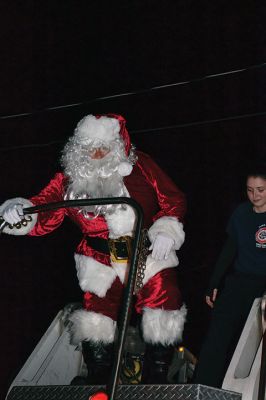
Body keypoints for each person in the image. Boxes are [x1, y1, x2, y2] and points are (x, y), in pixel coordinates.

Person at [0, 113, 187, 385]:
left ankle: (156, 374)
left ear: (117, 147)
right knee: (96, 312)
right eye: (90, 147)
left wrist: (167, 230)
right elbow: (44, 211)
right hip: (98, 256)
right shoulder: (67, 180)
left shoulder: (141, 165)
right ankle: (99, 376)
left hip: (146, 252)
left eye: (104, 147)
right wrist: (17, 212)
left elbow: (173, 198)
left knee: (164, 299)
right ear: (79, 150)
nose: (97, 153)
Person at [193, 161, 266, 388]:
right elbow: (229, 249)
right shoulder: (241, 213)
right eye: (250, 190)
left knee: (255, 339)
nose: (254, 195)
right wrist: (213, 283)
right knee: (218, 331)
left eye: (260, 190)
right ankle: (204, 386)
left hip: (263, 284)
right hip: (240, 281)